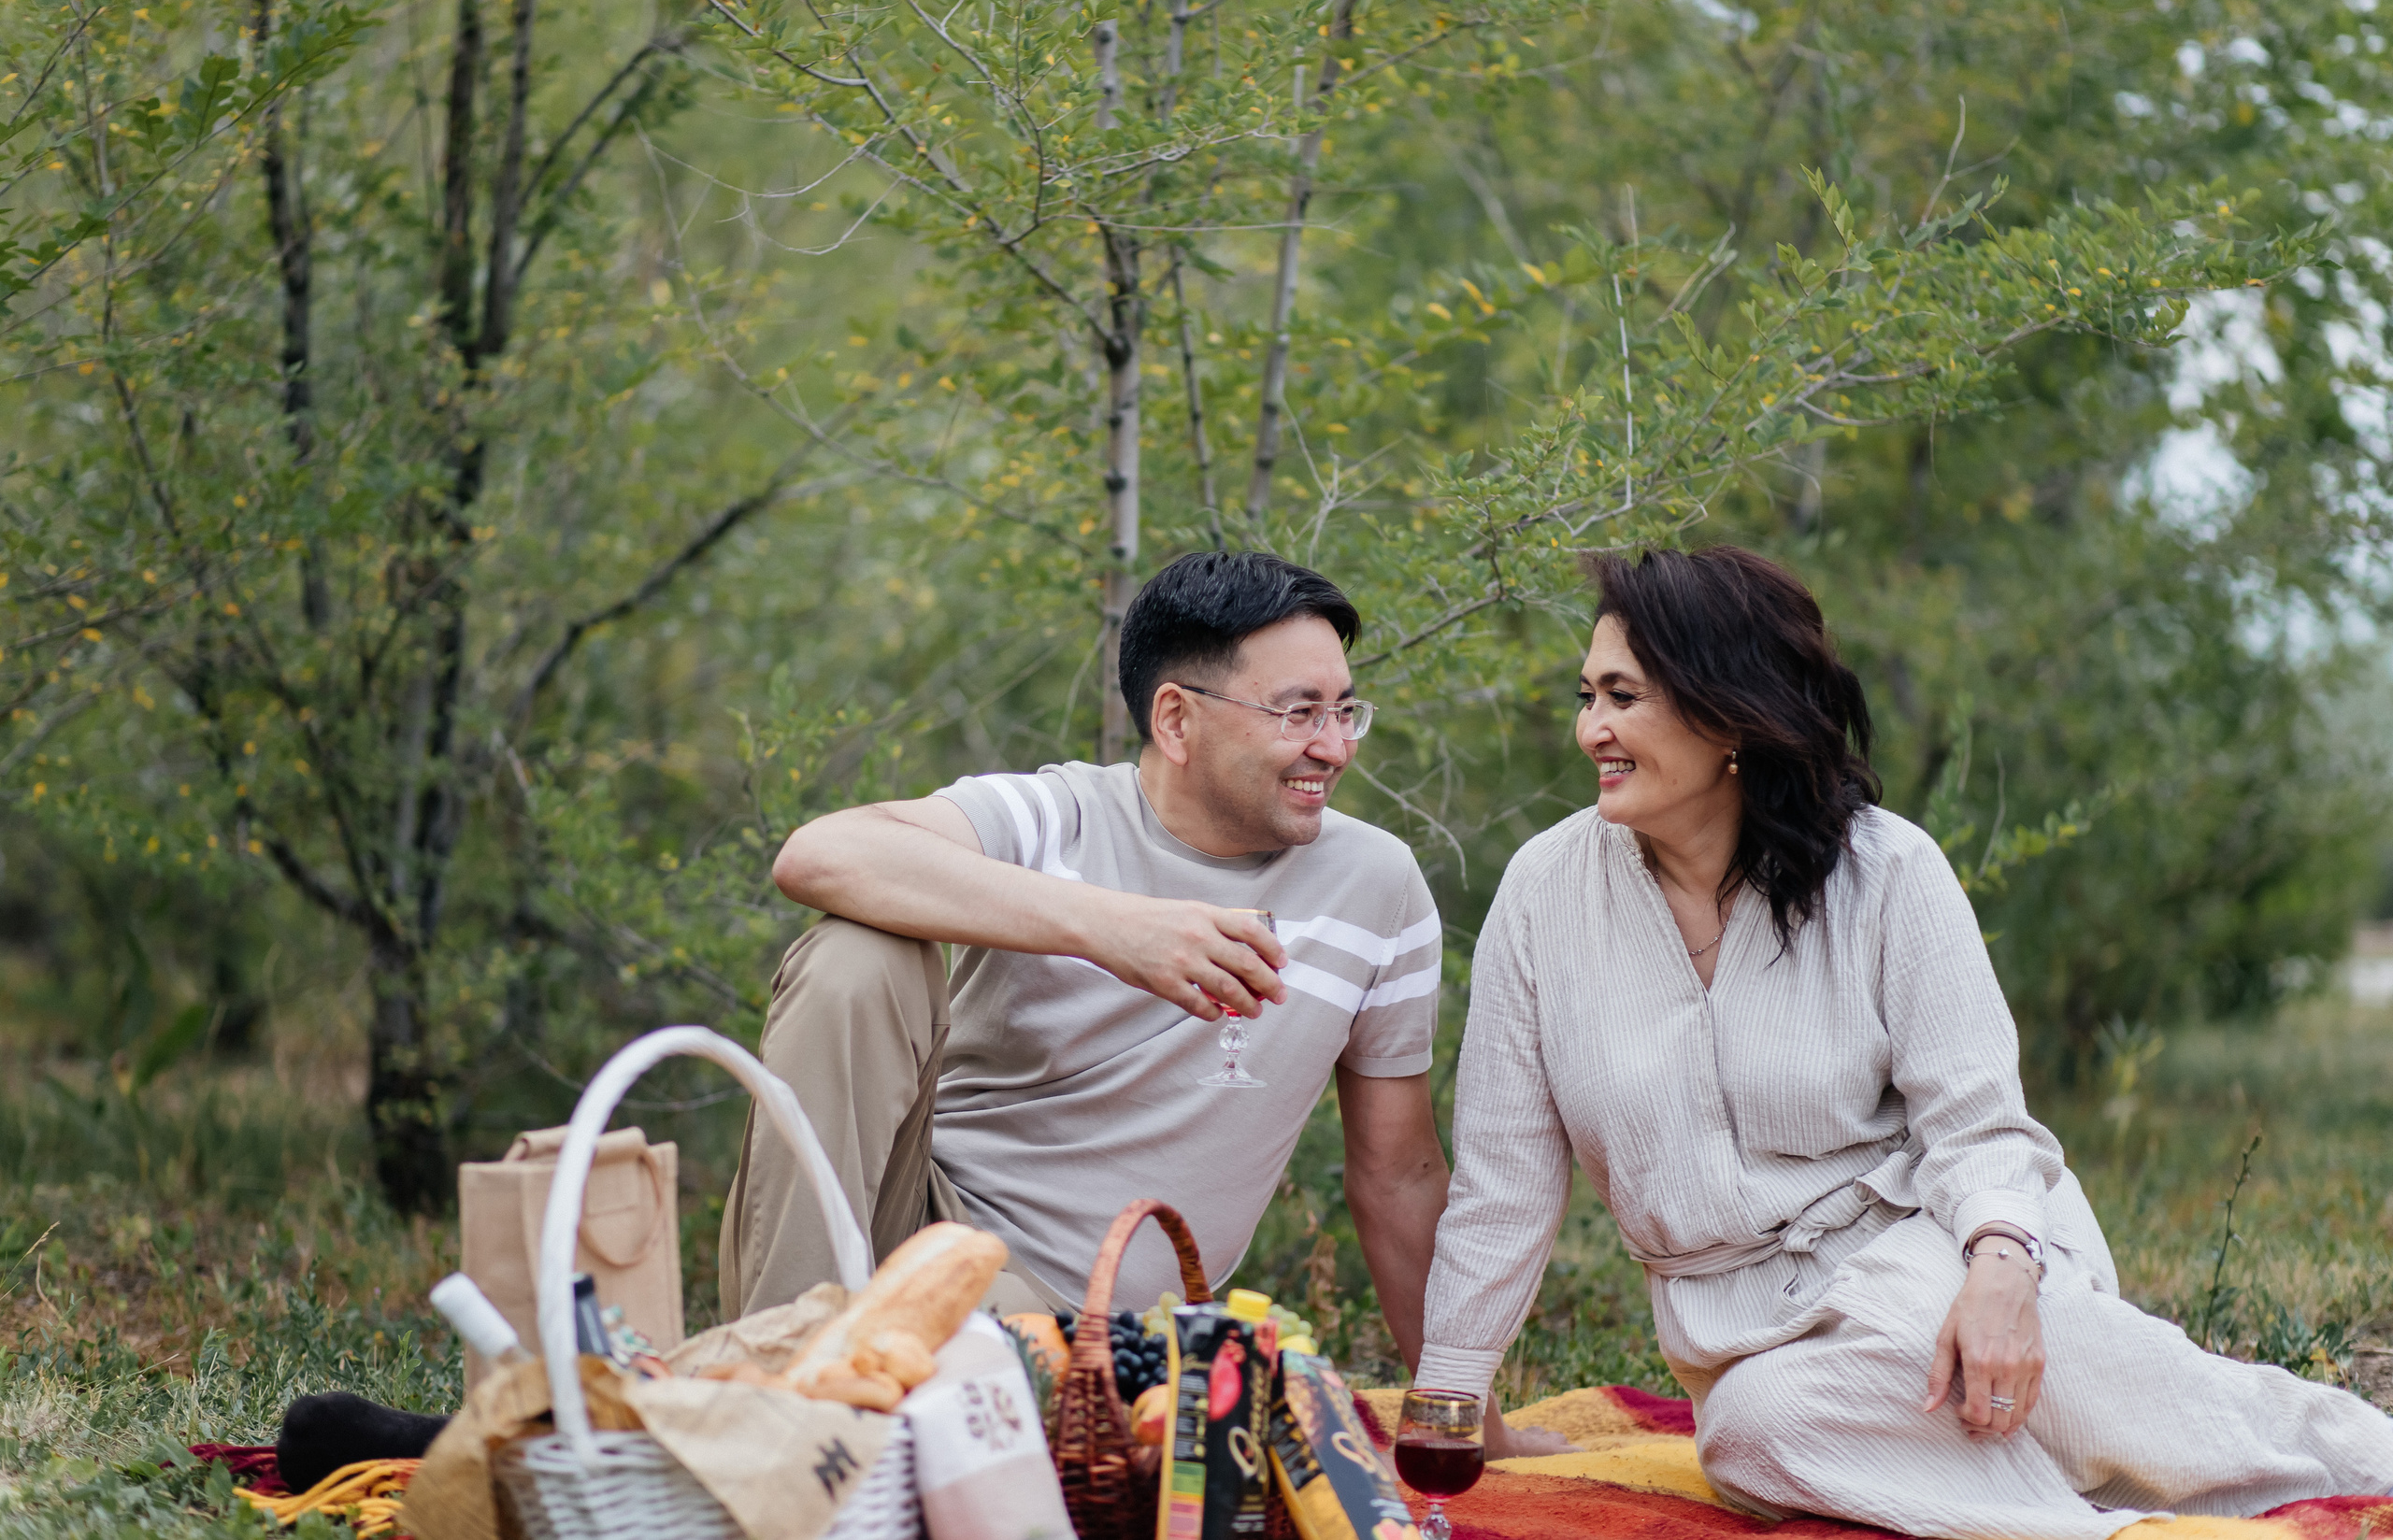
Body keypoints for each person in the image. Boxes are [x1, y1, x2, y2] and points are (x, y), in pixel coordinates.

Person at [1415, 546, 2393, 1537]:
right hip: (1746, 1338)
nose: (1591, 730)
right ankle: (2097, 1528)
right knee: (1752, 1437)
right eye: (1585, 697)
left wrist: (2002, 1274)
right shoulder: (1543, 897)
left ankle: (2354, 1462)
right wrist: (1450, 1398)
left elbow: (1975, 1125)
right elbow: (1503, 1182)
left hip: (1946, 1242)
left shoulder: (1886, 870)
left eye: (1620, 698)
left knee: (2127, 1407)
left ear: (1724, 716)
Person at [722, 550, 1452, 1366]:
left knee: (1000, 1363)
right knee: (856, 951)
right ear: (1176, 720)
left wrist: (1462, 1407)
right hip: (905, 1225)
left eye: (1345, 710)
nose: (1335, 746)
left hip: (1086, 1331)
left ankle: (839, 1393)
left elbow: (1400, 1176)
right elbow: (821, 854)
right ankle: (777, 1384)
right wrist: (1113, 928)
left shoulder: (1377, 886)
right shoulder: (1055, 817)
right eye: (1298, 712)